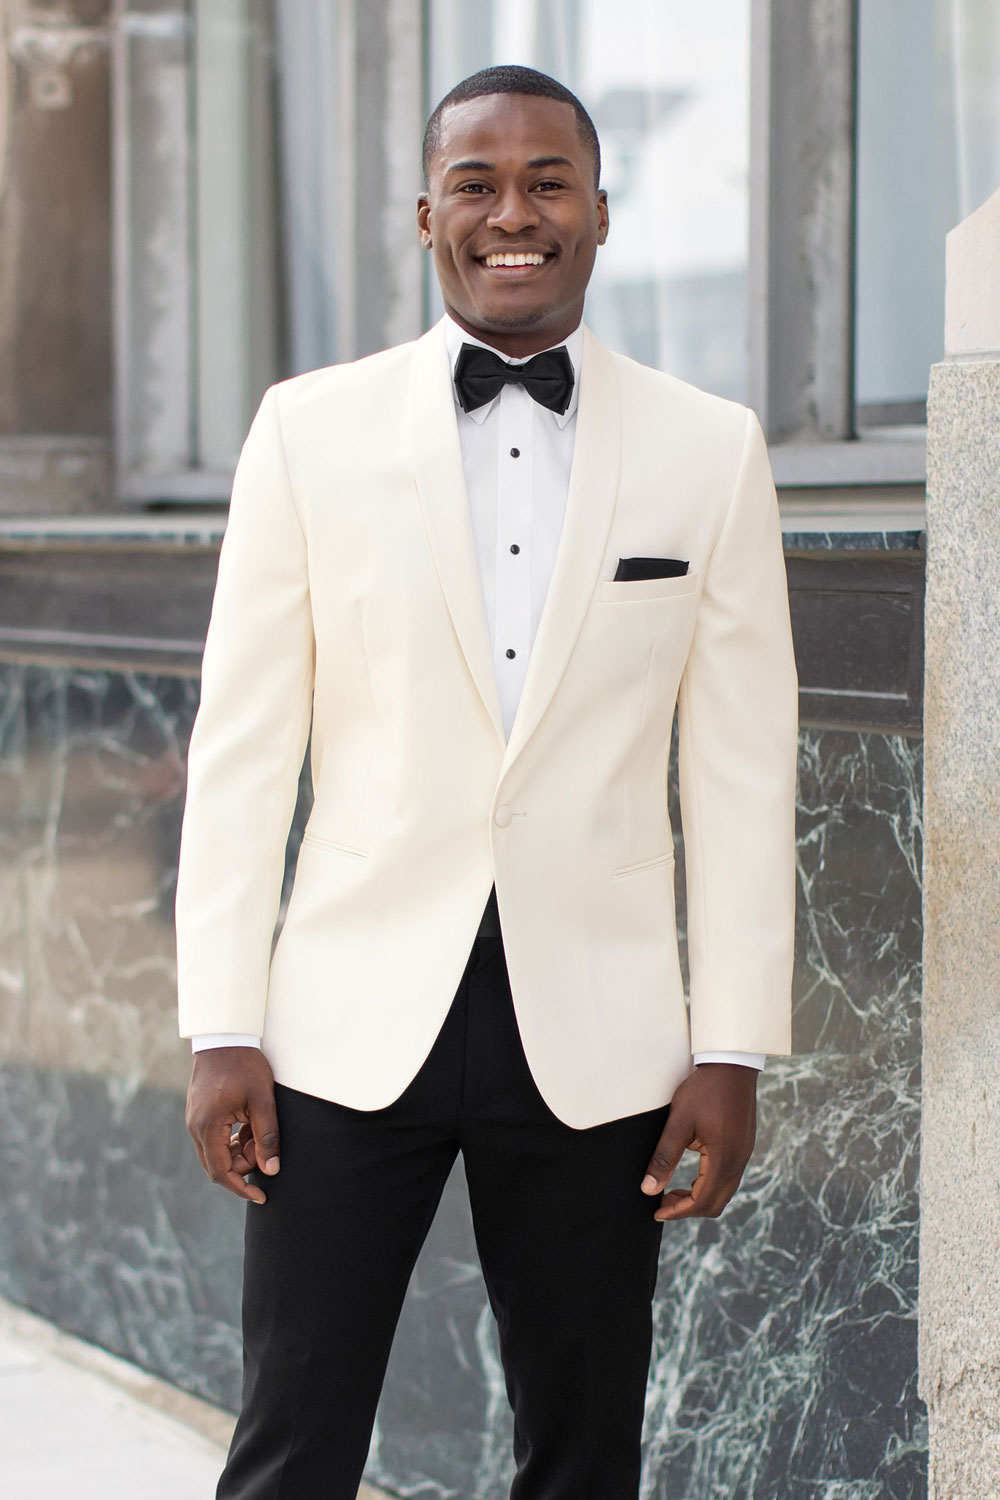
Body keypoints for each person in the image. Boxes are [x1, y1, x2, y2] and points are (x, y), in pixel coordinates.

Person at [177, 64, 798, 1500]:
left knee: (585, 1451)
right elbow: (245, 750)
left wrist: (735, 1046)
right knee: (291, 1441)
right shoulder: (305, 431)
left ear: (598, 212)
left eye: (546, 182)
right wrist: (221, 1026)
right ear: (424, 216)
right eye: (477, 182)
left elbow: (743, 771)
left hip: (604, 1038)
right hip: (342, 1028)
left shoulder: (713, 450)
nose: (511, 213)